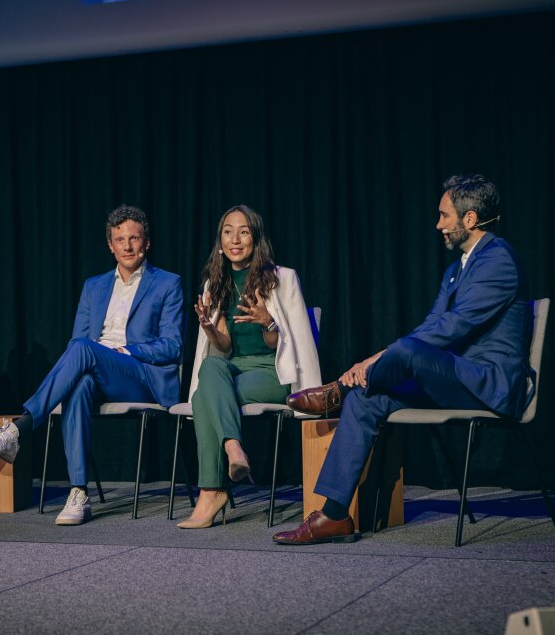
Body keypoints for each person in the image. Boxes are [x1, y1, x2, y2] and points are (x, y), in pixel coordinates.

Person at [275, 174, 533, 544]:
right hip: (454, 379)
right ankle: (333, 515)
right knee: (368, 397)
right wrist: (378, 362)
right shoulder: (457, 268)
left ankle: (337, 390)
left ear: (470, 219)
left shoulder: (499, 261)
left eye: (445, 216)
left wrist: (374, 360)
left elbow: (452, 328)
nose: (438, 224)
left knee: (408, 353)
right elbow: (432, 324)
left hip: (488, 384)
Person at [0, 205, 184, 525]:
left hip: (141, 375)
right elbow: (78, 344)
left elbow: (172, 346)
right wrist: (97, 353)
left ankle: (18, 429)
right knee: (79, 384)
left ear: (147, 243)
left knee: (83, 350)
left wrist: (126, 350)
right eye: (119, 240)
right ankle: (79, 493)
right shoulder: (94, 286)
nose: (127, 246)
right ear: (110, 246)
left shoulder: (168, 283)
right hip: (96, 372)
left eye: (134, 238)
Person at [178, 205, 321, 529]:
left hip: (272, 371)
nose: (235, 239)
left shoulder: (282, 278)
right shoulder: (216, 282)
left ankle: (211, 491)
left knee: (204, 399)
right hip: (234, 367)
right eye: (228, 231)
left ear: (256, 239)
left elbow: (286, 343)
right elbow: (224, 345)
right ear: (220, 240)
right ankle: (233, 447)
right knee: (211, 367)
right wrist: (209, 328)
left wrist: (269, 322)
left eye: (243, 231)